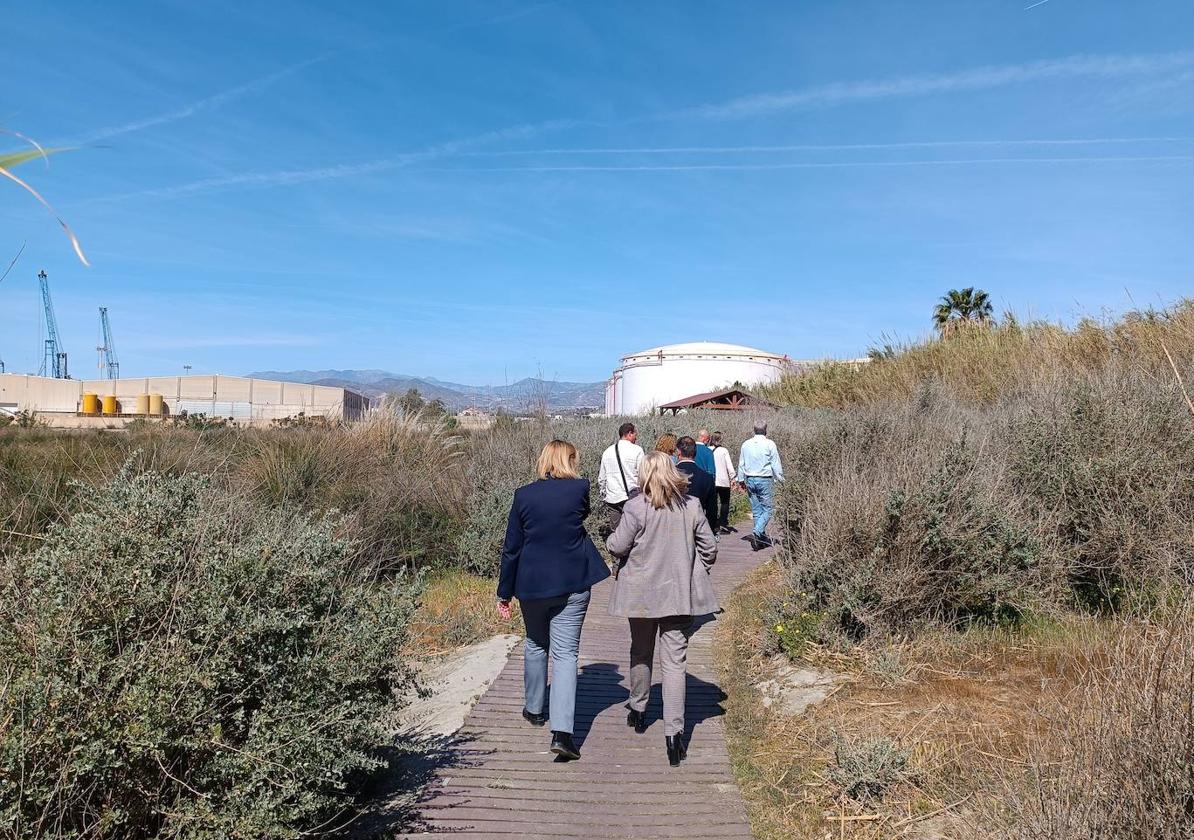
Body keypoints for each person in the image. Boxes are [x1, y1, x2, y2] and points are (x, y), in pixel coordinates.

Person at [497, 440, 611, 761]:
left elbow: (511, 548)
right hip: (573, 581)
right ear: (569, 460)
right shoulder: (579, 489)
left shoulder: (523, 495)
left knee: (535, 644)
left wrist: (504, 592)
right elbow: (581, 515)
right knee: (565, 655)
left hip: (531, 584)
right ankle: (562, 733)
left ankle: (534, 710)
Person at [606, 451, 719, 767]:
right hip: (678, 596)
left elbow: (617, 546)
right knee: (675, 662)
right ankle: (674, 735)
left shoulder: (636, 507)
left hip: (641, 596)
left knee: (640, 652)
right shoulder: (691, 506)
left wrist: (608, 543)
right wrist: (696, 572)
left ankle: (638, 709)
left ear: (644, 474)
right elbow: (709, 548)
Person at [735, 420, 784, 550]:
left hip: (750, 479)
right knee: (769, 509)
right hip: (765, 479)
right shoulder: (769, 444)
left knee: (757, 510)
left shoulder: (746, 444)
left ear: (754, 430)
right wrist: (781, 479)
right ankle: (757, 532)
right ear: (766, 430)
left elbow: (741, 463)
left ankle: (759, 539)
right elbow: (775, 463)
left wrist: (740, 480)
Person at [597, 422, 644, 535]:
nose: (636, 437)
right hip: (633, 497)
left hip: (613, 497)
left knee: (616, 531)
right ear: (629, 433)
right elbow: (643, 475)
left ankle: (616, 551)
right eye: (635, 434)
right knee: (634, 530)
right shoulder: (637, 450)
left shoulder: (607, 452)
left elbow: (602, 478)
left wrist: (605, 495)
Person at [676, 435, 717, 532]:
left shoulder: (668, 474)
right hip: (696, 526)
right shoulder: (707, 478)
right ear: (695, 452)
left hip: (673, 527)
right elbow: (712, 510)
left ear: (678, 451)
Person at [709, 431, 736, 533]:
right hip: (724, 481)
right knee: (725, 503)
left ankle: (713, 523)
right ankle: (723, 523)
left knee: (713, 503)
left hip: (712, 481)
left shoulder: (708, 450)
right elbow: (729, 466)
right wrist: (733, 478)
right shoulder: (724, 451)